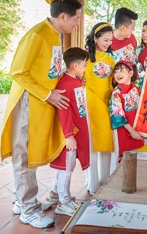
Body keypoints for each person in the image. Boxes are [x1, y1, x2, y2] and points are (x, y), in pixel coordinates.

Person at [0, 0, 82, 229]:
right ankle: (28, 209)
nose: (76, 23)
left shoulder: (54, 34)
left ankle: (22, 200)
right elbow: (18, 71)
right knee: (24, 155)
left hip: (40, 104)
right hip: (28, 102)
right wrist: (48, 95)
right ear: (63, 16)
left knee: (31, 151)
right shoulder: (37, 35)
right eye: (75, 18)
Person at [49, 47, 90, 217]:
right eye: (84, 65)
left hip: (77, 130)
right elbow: (64, 111)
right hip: (70, 133)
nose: (85, 68)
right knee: (67, 166)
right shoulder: (65, 84)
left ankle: (57, 193)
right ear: (75, 66)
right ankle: (63, 202)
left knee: (68, 165)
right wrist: (68, 136)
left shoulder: (75, 81)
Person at [83, 22, 116, 195]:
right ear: (95, 38)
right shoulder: (85, 58)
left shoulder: (111, 59)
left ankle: (106, 180)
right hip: (89, 106)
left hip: (106, 106)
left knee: (105, 145)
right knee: (91, 146)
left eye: (110, 40)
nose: (108, 43)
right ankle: (92, 182)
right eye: (105, 39)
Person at [109, 60, 144, 158]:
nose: (118, 74)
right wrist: (132, 131)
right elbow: (118, 116)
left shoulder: (136, 88)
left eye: (121, 70)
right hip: (124, 132)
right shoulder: (116, 93)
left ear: (131, 73)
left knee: (138, 158)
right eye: (115, 71)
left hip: (138, 130)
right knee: (125, 160)